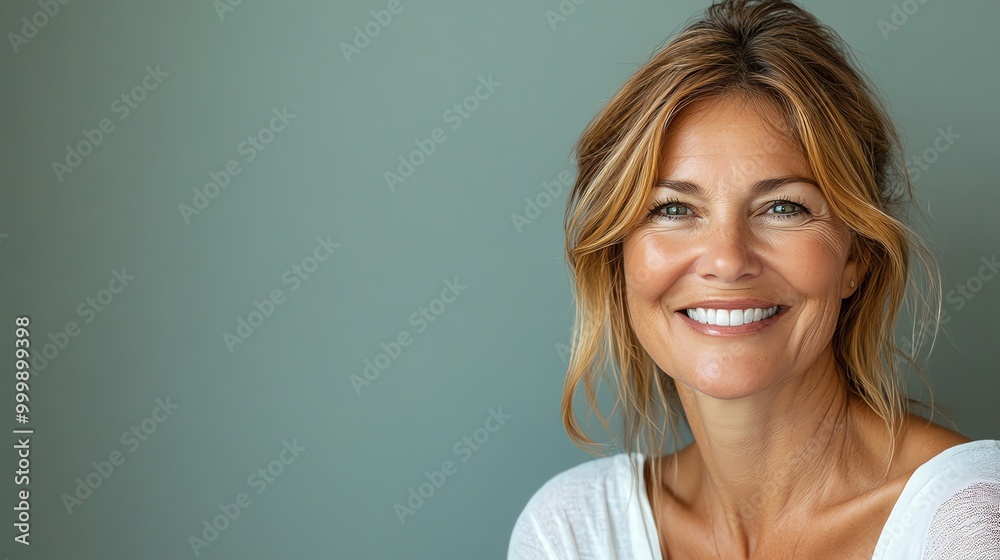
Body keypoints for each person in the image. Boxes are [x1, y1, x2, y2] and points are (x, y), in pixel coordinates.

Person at [507, 0, 1000, 558]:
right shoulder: (572, 531)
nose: (727, 259)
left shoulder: (971, 522)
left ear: (856, 254)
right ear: (618, 255)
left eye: (783, 207)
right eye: (672, 209)